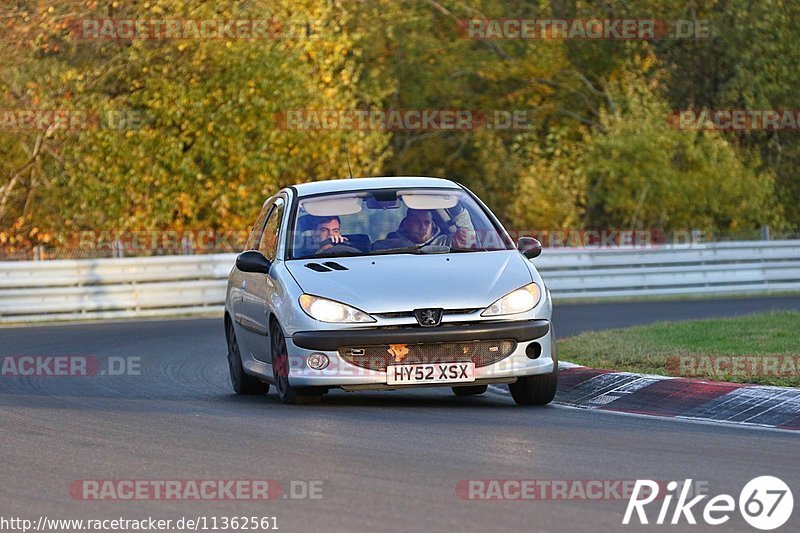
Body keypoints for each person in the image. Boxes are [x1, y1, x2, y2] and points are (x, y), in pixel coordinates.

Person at [386, 208, 476, 248]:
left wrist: (456, 208)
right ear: (406, 224)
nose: (422, 227)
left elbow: (468, 239)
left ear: (432, 225)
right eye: (417, 222)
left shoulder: (444, 244)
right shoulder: (388, 246)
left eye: (427, 222)